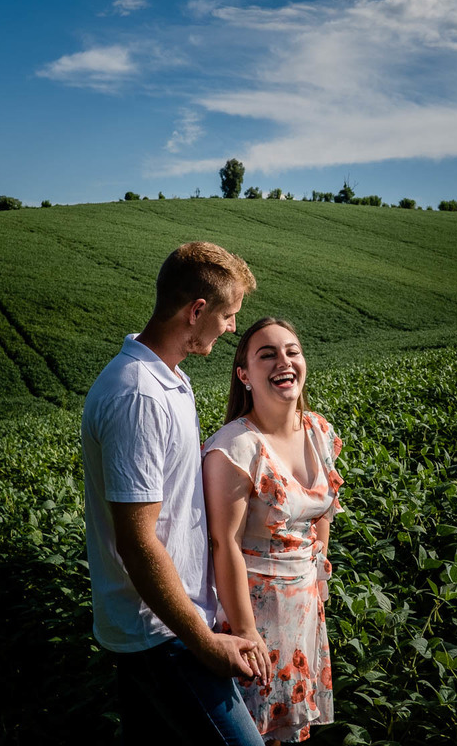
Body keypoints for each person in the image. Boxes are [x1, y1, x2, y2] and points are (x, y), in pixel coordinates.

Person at [81, 241, 266, 745]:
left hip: (165, 626)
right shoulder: (138, 395)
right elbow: (137, 541)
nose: (232, 327)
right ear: (197, 311)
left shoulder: (168, 380)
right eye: (227, 315)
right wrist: (203, 642)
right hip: (163, 634)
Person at [202, 317, 343, 744]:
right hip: (255, 618)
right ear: (244, 375)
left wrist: (315, 568)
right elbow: (223, 543)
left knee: (288, 733)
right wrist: (246, 634)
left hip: (304, 610)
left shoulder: (319, 431)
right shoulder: (236, 447)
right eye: (267, 355)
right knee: (253, 732)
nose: (284, 361)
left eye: (291, 351)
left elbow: (323, 509)